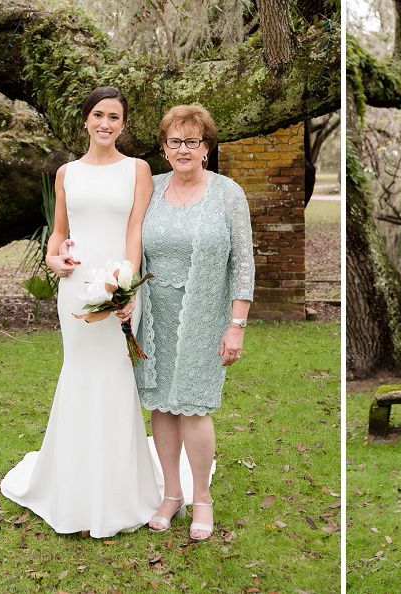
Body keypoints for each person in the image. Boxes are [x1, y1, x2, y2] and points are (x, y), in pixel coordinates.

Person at [1, 86, 160, 537]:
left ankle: (119, 491)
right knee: (78, 373)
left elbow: (135, 232)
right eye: (98, 115)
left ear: (123, 124)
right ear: (86, 121)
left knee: (114, 375)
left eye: (114, 116)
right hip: (75, 288)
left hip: (119, 283)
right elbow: (58, 234)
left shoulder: (138, 170)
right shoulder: (66, 172)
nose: (105, 123)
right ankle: (71, 487)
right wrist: (54, 260)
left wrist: (127, 285)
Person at [133, 105, 255, 541]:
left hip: (204, 314)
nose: (183, 149)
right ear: (164, 147)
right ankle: (171, 494)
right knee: (162, 403)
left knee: (196, 406)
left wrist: (236, 323)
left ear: (207, 147)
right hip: (154, 314)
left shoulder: (227, 193)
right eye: (175, 141)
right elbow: (131, 243)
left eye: (193, 141)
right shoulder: (151, 187)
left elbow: (243, 262)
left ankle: (201, 497)